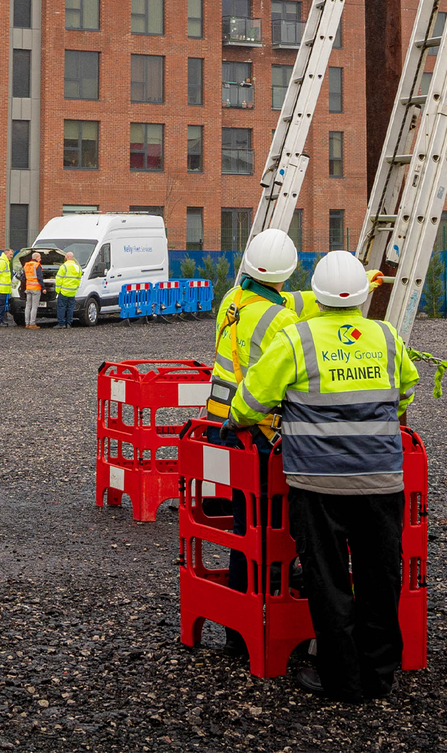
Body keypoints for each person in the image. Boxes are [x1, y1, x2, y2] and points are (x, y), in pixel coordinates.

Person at [230, 250, 419, 703]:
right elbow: (406, 388)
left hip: (316, 482)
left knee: (328, 578)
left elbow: (250, 402)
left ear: (314, 293)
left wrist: (239, 419)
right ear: (360, 296)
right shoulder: (387, 336)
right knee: (380, 575)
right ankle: (380, 674)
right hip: (380, 479)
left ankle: (341, 678)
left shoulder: (296, 340)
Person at [196, 229, 309, 623]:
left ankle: (239, 612)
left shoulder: (234, 298)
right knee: (264, 526)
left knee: (244, 521)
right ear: (288, 270)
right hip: (257, 432)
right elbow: (289, 316)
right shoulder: (281, 319)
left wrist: (354, 284)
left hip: (220, 425)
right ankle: (258, 612)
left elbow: (291, 299)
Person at [54, 251, 82, 327]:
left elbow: (59, 279)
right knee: (70, 307)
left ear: (66, 257)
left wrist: (57, 290)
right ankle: (69, 323)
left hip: (64, 291)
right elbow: (79, 278)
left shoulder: (64, 266)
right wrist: (76, 288)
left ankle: (61, 323)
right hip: (72, 291)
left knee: (62, 307)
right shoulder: (77, 267)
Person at [19, 250, 43, 329]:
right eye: (39, 257)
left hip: (28, 288)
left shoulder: (26, 265)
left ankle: (27, 323)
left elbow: (23, 278)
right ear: (36, 257)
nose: (40, 259)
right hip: (36, 288)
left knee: (28, 306)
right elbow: (40, 278)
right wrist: (43, 288)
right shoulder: (37, 265)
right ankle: (32, 323)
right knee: (34, 307)